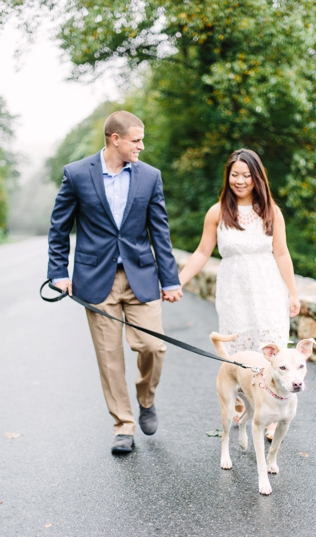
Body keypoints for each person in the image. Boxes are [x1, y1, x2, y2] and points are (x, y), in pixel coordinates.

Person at [47, 110, 183, 454]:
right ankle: (123, 425)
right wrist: (59, 273)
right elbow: (59, 227)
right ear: (115, 139)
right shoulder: (77, 174)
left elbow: (160, 232)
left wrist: (170, 280)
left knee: (153, 347)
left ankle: (146, 400)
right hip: (96, 280)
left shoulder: (150, 176)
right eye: (136, 140)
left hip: (141, 277)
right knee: (110, 357)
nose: (142, 146)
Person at [178, 149, 300, 437]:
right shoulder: (217, 212)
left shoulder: (271, 211)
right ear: (228, 176)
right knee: (239, 354)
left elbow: (281, 254)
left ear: (257, 177)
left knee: (271, 352)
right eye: (235, 175)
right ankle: (244, 407)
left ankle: (272, 419)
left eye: (247, 175)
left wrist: (293, 293)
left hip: (268, 290)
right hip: (234, 292)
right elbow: (201, 252)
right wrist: (177, 282)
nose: (240, 180)